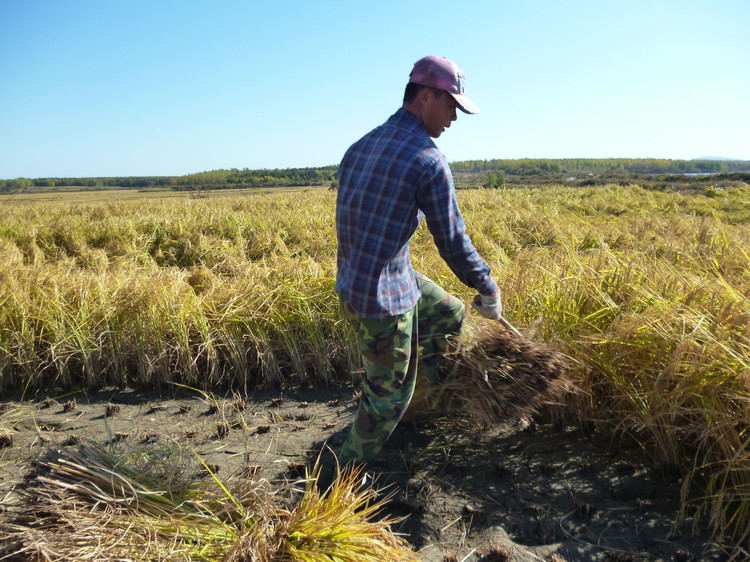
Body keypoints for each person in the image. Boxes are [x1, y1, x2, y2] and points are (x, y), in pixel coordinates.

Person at [334, 55, 503, 468]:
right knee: (385, 397)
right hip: (383, 299)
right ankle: (336, 480)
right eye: (452, 106)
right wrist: (487, 286)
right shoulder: (428, 160)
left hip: (363, 279)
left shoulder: (362, 145)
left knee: (448, 311)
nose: (454, 119)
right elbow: (452, 240)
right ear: (425, 97)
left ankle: (423, 404)